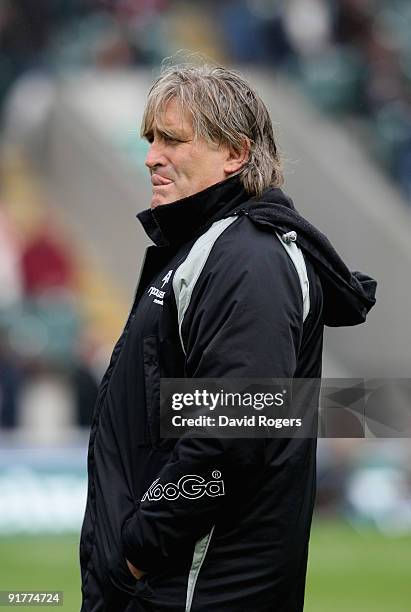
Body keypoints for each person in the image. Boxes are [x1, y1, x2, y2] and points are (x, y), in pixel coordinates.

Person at [79, 62, 376, 612]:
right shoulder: (211, 248)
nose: (151, 156)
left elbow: (231, 432)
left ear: (235, 154)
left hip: (193, 586)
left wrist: (140, 546)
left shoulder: (249, 259)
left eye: (172, 139)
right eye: (150, 139)